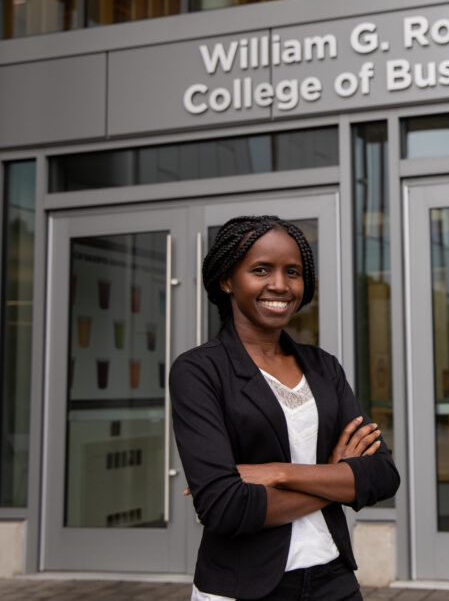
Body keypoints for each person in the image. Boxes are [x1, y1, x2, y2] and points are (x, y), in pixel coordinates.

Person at [170, 215, 400, 600]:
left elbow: (381, 475)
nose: (280, 284)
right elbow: (225, 506)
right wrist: (335, 478)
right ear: (227, 280)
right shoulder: (199, 371)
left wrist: (275, 473)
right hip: (243, 587)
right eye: (261, 270)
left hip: (333, 580)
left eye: (292, 272)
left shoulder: (323, 366)